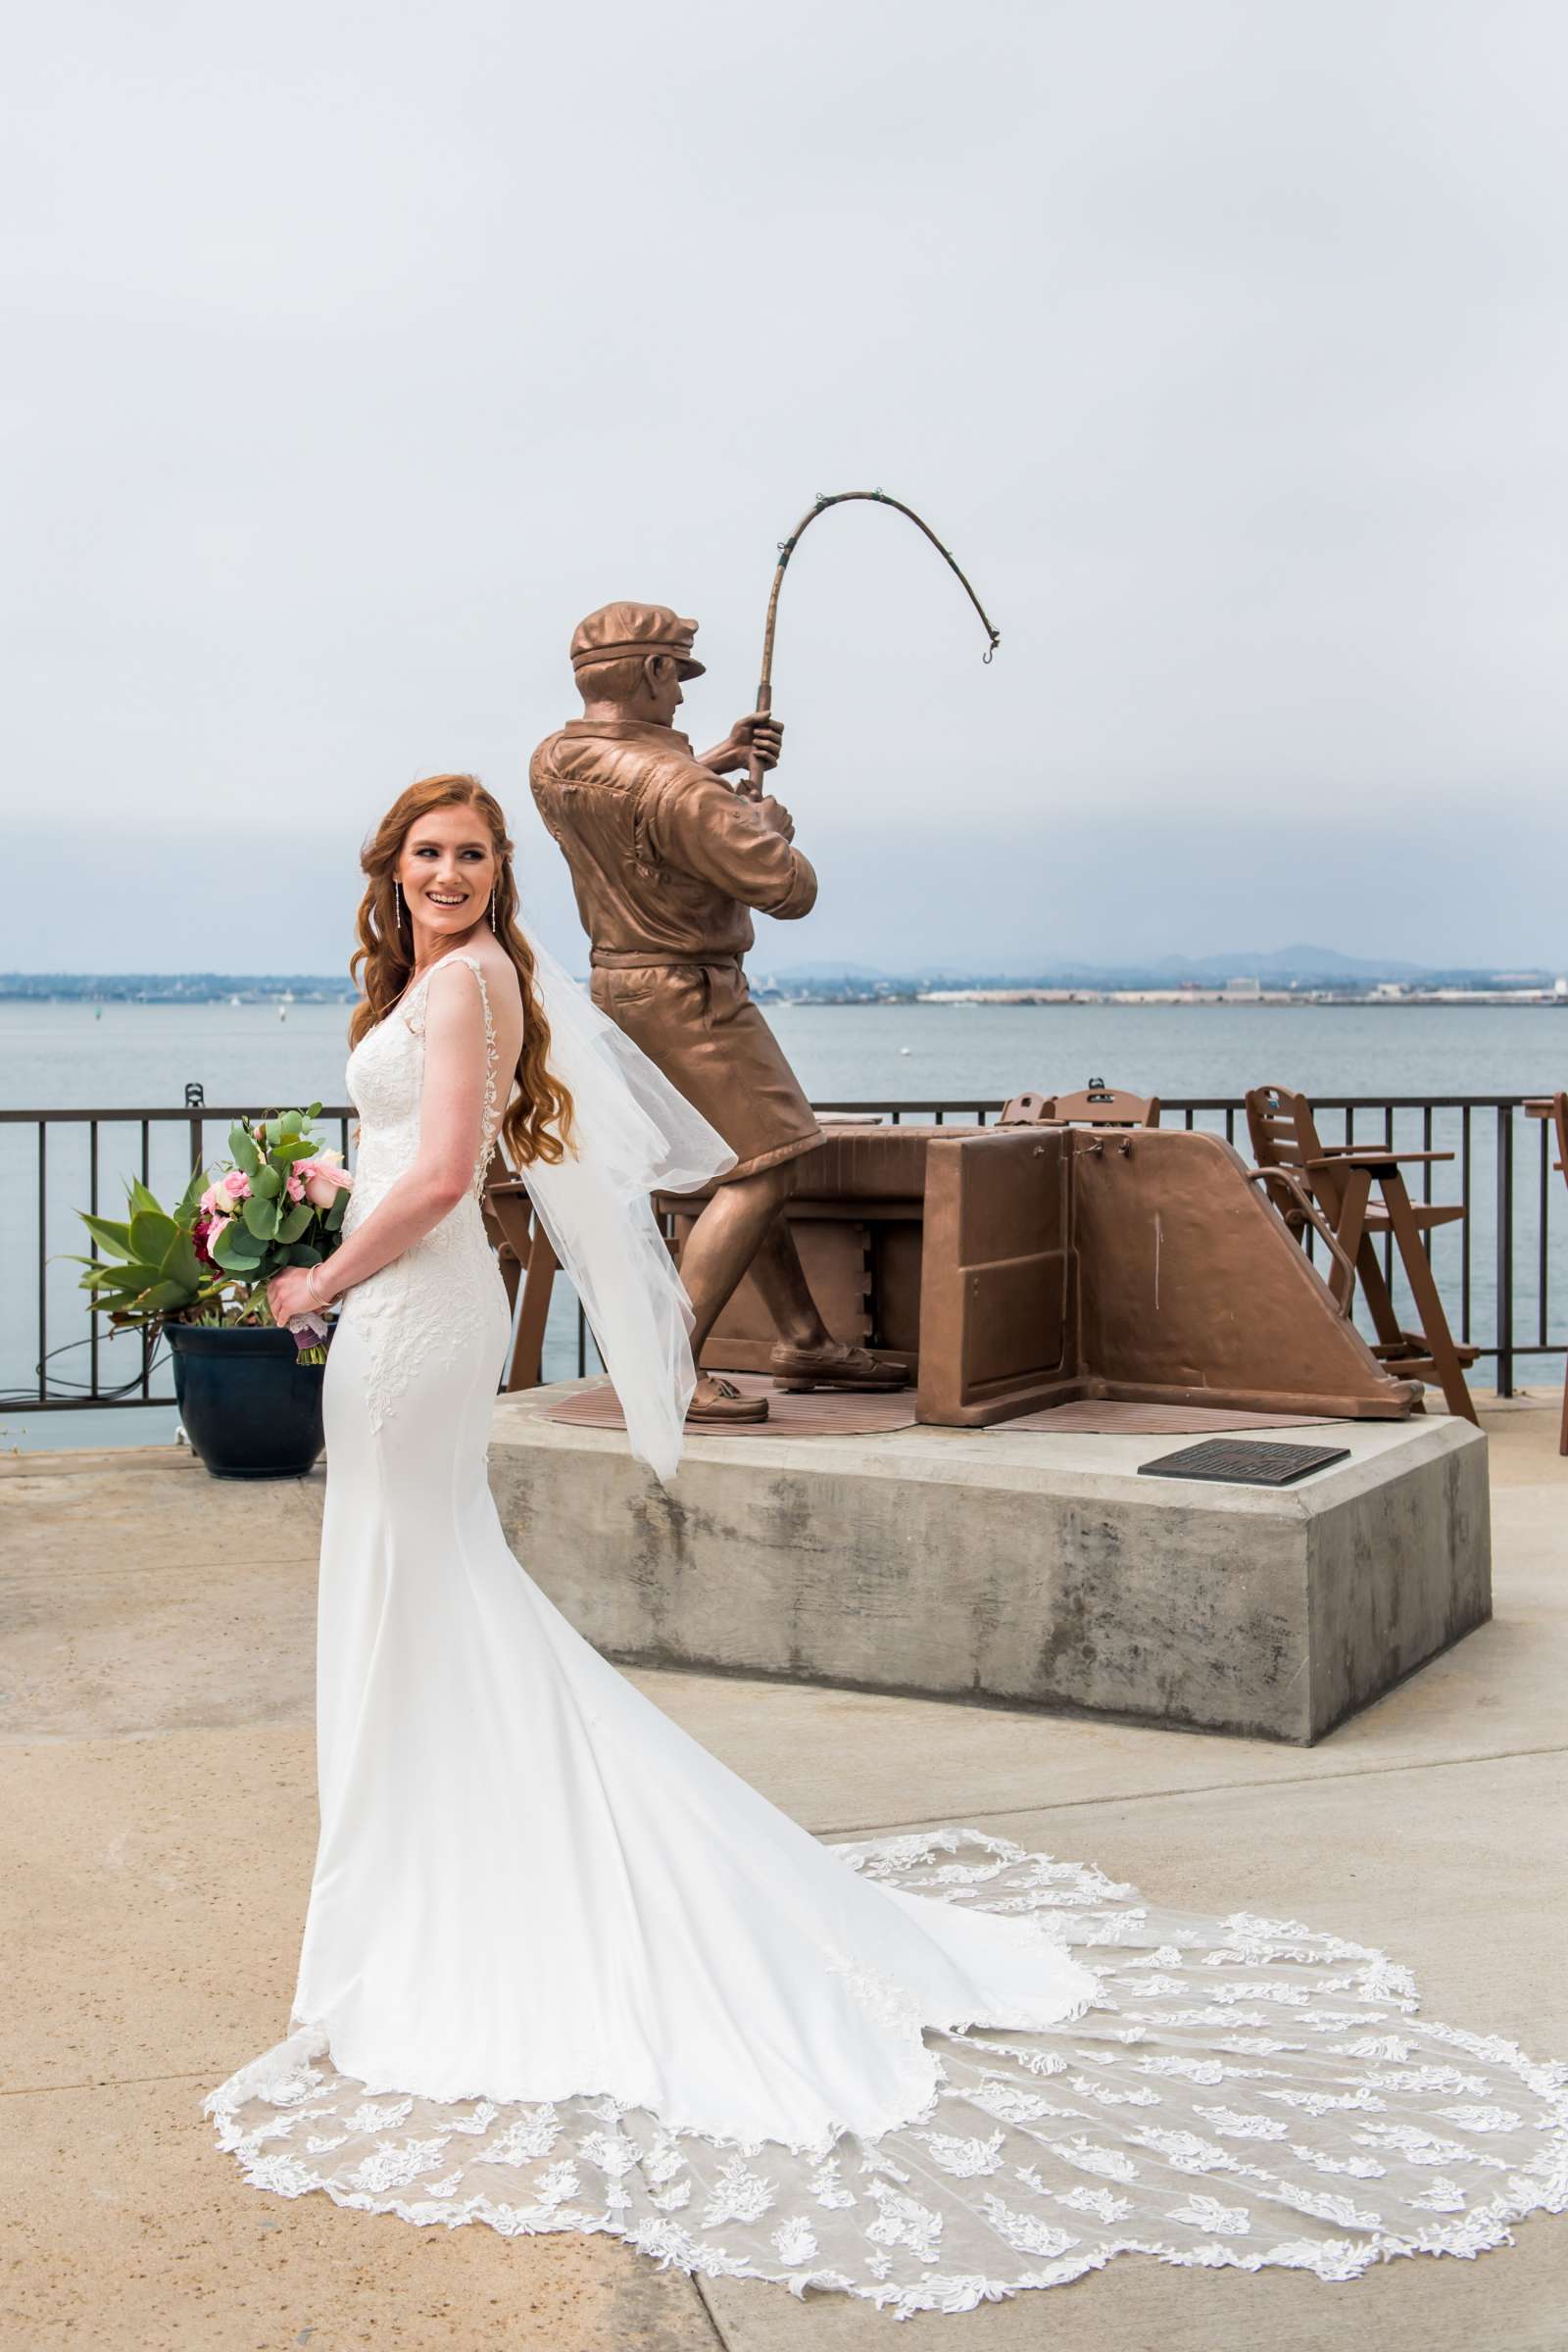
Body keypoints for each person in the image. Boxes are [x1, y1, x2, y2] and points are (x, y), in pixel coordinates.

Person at [208, 773, 1564, 2319]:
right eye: (425, 853)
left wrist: (315, 1282)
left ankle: (437, 1892)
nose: (447, 872)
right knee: (435, 1593)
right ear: (388, 867)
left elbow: (446, 1177)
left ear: (495, 874)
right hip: (415, 1314)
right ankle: (429, 1871)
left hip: (404, 1317)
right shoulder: (443, 978)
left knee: (425, 1590)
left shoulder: (466, 982)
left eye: (470, 854)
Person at [530, 601, 906, 1424]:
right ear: (654, 672)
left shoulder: (554, 761)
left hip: (618, 988)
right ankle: (667, 1366)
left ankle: (804, 1336)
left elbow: (638, 797)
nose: (683, 697)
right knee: (772, 1164)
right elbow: (787, 888)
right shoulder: (680, 790)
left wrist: (716, 762)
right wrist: (758, 820)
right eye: (679, 678)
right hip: (693, 993)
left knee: (743, 1161)